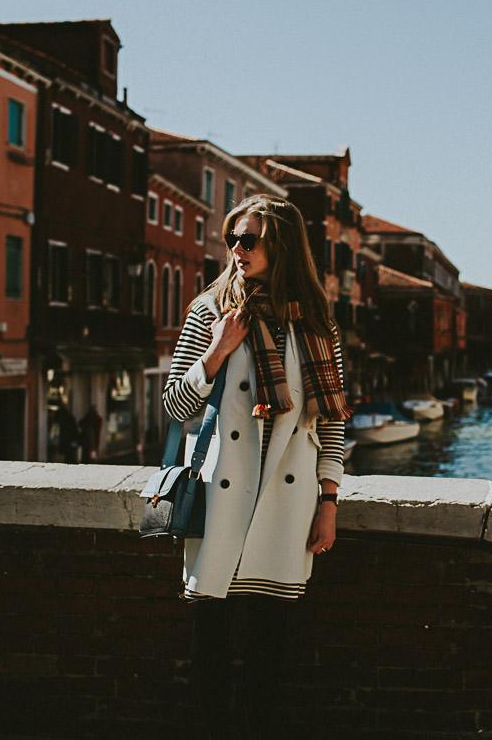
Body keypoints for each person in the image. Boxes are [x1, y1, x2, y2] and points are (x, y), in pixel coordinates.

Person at [161, 195, 352, 734]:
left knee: (271, 648)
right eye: (233, 239)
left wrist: (329, 502)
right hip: (221, 497)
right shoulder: (211, 310)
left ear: (282, 245)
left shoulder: (317, 322)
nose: (237, 250)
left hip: (288, 501)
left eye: (249, 239)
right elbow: (176, 406)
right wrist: (217, 352)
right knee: (211, 644)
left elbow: (332, 423)